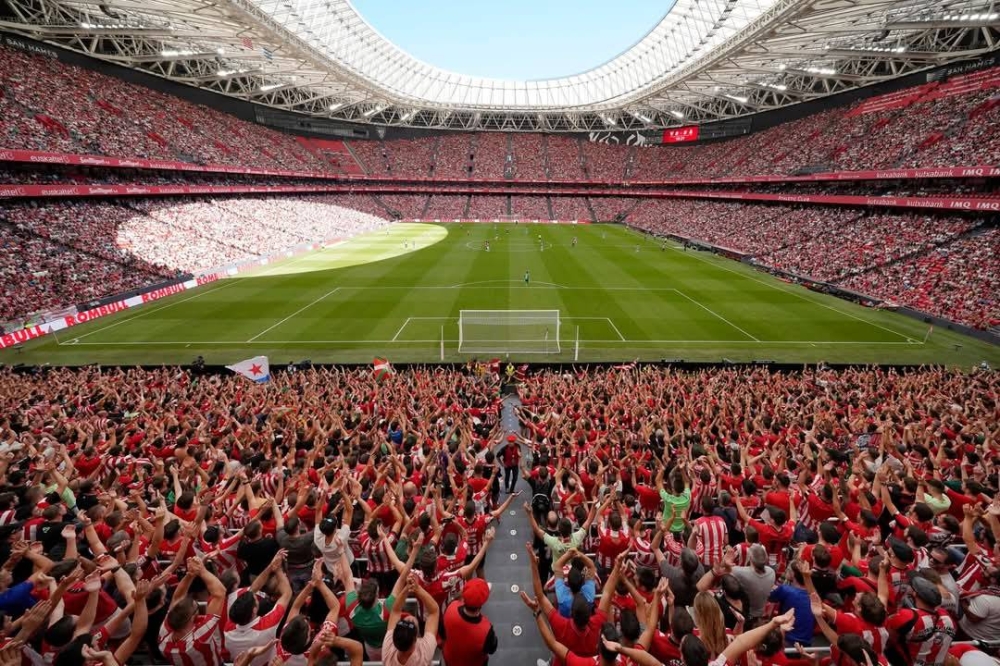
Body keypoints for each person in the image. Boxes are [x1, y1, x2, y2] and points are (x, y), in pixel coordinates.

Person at [440, 578, 498, 666]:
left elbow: (442, 633)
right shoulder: (486, 630)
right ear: (481, 604)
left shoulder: (451, 607)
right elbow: (492, 649)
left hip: (450, 660)